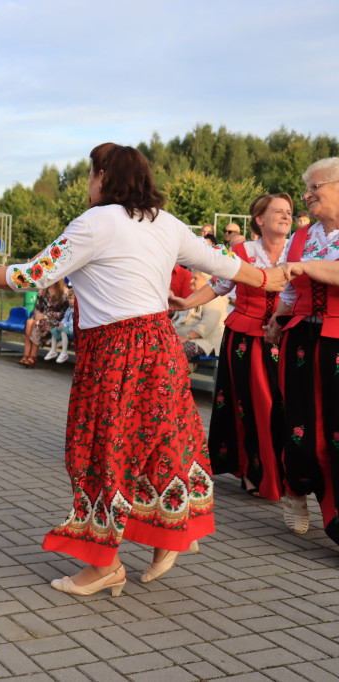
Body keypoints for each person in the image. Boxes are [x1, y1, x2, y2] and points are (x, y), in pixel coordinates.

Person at [0, 143, 284, 596]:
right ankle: (168, 534)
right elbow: (224, 264)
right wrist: (271, 278)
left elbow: (33, 275)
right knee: (161, 443)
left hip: (114, 352)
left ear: (104, 177)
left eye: (91, 175)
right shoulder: (166, 223)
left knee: (99, 451)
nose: (89, 184)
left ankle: (104, 565)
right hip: (160, 346)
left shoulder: (95, 222)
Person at [172, 193, 292, 501]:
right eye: (277, 211)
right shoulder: (241, 251)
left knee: (284, 406)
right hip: (245, 337)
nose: (285, 215)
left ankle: (284, 472)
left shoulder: (299, 250)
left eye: (289, 211)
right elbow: (217, 286)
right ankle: (253, 471)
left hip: (288, 337)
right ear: (259, 220)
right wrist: (186, 302)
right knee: (249, 404)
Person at [265, 158, 339, 544]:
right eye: (306, 188)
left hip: (338, 339)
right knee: (299, 422)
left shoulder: (305, 250)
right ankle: (295, 488)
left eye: (314, 187)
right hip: (301, 338)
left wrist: (305, 266)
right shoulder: (302, 236)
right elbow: (291, 289)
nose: (307, 195)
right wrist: (277, 320)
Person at [172, 271, 228, 366]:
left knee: (173, 351)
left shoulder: (214, 298)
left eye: (195, 278)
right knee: (160, 347)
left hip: (204, 342)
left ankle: (173, 378)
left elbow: (207, 323)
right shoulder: (192, 297)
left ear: (207, 282)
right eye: (192, 278)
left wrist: (187, 337)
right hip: (187, 339)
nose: (191, 281)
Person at [21, 280, 72, 366]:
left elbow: (64, 313)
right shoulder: (43, 290)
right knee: (29, 322)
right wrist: (38, 315)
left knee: (38, 323)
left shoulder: (64, 292)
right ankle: (26, 355)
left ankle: (33, 356)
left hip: (56, 320)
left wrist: (46, 316)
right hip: (43, 318)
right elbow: (37, 308)